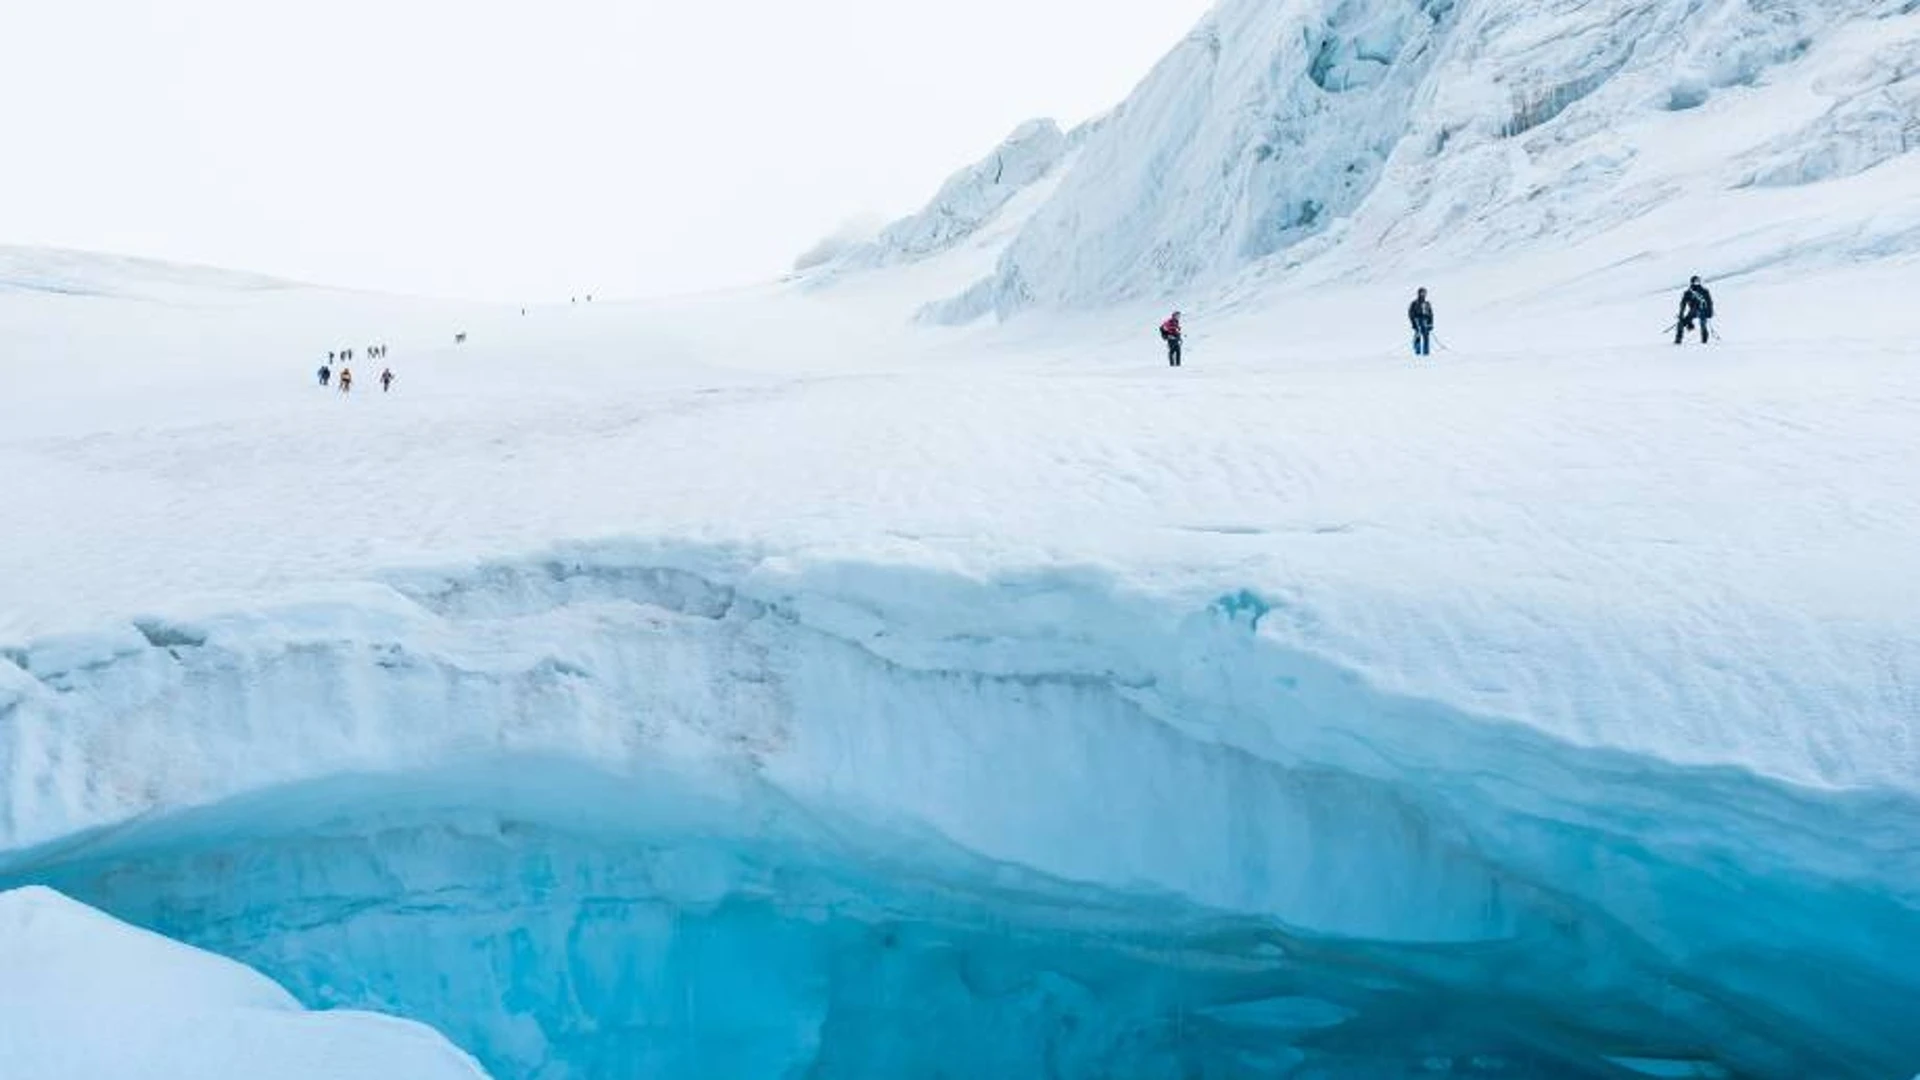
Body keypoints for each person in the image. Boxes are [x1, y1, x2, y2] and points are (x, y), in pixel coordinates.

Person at [1676, 276, 1714, 344]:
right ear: (1692, 282)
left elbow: (1709, 302)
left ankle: (1704, 340)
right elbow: (1683, 304)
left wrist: (1710, 312)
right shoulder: (1688, 292)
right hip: (1693, 311)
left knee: (1703, 324)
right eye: (1695, 281)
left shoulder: (1704, 291)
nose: (1696, 283)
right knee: (1681, 323)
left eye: (1697, 281)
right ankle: (1678, 340)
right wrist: (1681, 314)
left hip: (1702, 311)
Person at [1409, 288, 1435, 357]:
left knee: (1426, 336)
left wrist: (1431, 324)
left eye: (1424, 293)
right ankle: (1418, 351)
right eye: (1421, 293)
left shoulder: (1427, 304)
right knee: (1418, 335)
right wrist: (1413, 323)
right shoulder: (1414, 303)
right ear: (1419, 293)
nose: (1423, 294)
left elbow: (1430, 314)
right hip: (1418, 319)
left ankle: (1426, 353)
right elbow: (1411, 314)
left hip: (1425, 320)